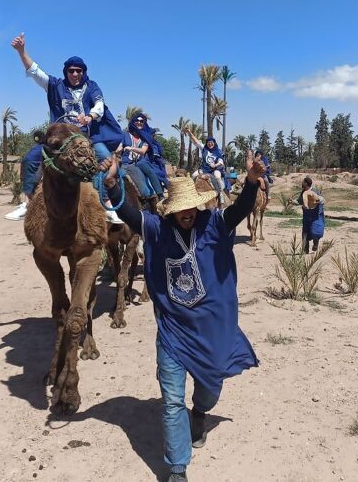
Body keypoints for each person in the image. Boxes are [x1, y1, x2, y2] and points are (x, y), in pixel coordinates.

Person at [102, 150, 265, 482]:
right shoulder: (158, 229)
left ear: (199, 204)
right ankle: (177, 468)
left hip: (212, 330)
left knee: (210, 388)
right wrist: (113, 184)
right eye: (179, 209)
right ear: (171, 210)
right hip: (173, 332)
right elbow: (131, 215)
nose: (186, 213)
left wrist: (250, 183)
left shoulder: (216, 225)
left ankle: (201, 412)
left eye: (190, 207)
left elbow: (239, 210)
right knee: (172, 401)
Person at [11, 32, 124, 223]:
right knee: (31, 159)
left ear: (83, 72)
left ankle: (108, 204)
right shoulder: (55, 85)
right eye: (71, 70)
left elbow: (99, 104)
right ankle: (27, 201)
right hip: (59, 139)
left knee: (107, 159)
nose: (75, 74)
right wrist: (22, 51)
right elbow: (35, 72)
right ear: (66, 71)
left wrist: (90, 116)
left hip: (86, 138)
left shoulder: (92, 86)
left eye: (79, 71)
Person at [121, 113, 165, 199]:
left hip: (139, 162)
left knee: (150, 172)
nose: (139, 122)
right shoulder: (125, 134)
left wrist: (131, 148)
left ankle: (160, 195)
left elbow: (143, 151)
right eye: (137, 120)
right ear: (133, 122)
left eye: (141, 121)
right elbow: (119, 146)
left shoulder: (146, 137)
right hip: (125, 162)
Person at [5, 129, 45, 220]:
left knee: (31, 189)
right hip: (29, 171)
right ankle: (27, 205)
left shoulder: (44, 148)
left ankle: (29, 208)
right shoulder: (37, 147)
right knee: (28, 190)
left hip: (33, 172)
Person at [184, 128, 226, 206]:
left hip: (215, 169)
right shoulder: (204, 149)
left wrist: (215, 165)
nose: (210, 144)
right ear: (207, 143)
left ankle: (220, 194)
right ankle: (190, 194)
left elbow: (221, 162)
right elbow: (196, 141)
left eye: (211, 142)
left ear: (214, 143)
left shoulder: (218, 151)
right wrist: (189, 132)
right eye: (208, 143)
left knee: (217, 177)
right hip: (204, 169)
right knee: (193, 175)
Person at [289, 176, 325, 253]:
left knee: (315, 231)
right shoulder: (303, 192)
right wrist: (292, 202)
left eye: (303, 182)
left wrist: (319, 200)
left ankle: (315, 243)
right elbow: (299, 201)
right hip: (306, 215)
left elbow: (321, 199)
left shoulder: (314, 191)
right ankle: (305, 249)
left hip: (315, 215)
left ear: (306, 183)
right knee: (305, 232)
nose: (302, 183)